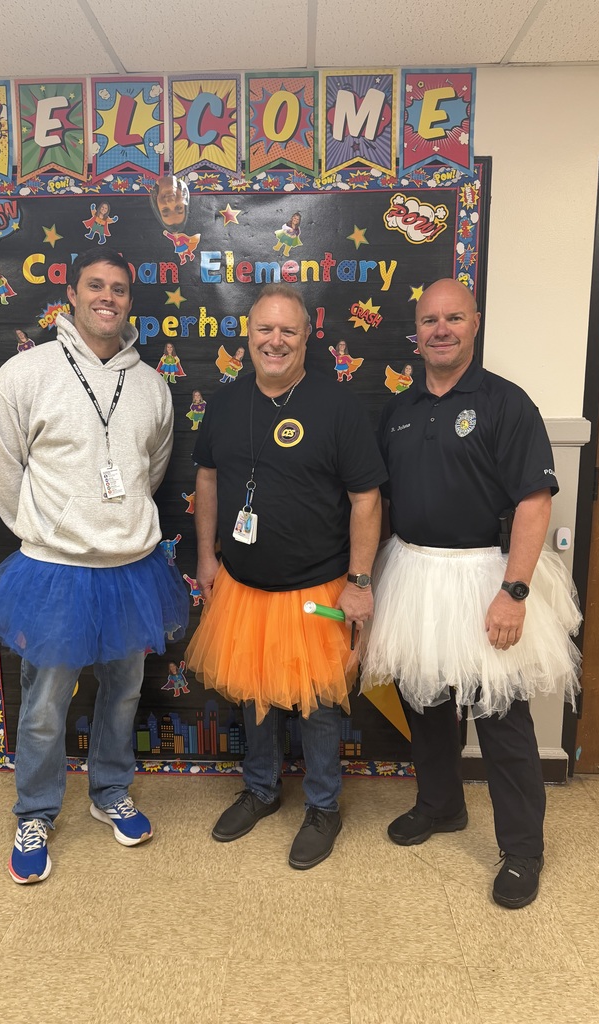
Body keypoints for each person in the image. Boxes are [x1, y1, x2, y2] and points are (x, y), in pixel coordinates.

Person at [360, 278, 582, 909]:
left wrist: (514, 591)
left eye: (452, 318)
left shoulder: (508, 404)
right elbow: (380, 502)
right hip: (414, 572)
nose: (440, 329)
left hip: (488, 575)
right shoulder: (398, 411)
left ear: (474, 322)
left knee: (501, 722)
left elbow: (534, 502)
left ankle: (521, 851)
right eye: (429, 320)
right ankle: (439, 806)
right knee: (425, 706)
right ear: (416, 330)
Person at [0, 250, 189, 885]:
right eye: (95, 285)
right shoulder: (27, 373)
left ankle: (109, 792)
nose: (107, 297)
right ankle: (35, 811)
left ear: (130, 301)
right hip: (55, 569)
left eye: (119, 288)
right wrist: (45, 529)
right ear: (71, 293)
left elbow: (151, 469)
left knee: (123, 692)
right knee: (45, 702)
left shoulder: (150, 384)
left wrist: (114, 522)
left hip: (131, 567)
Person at [185, 283, 385, 870]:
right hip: (244, 584)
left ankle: (323, 806)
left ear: (306, 337)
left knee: (320, 704)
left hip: (319, 584)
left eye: (288, 331)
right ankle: (261, 790)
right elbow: (208, 481)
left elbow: (366, 498)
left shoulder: (337, 405)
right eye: (264, 330)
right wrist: (205, 557)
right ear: (248, 337)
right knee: (255, 694)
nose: (275, 341)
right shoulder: (224, 403)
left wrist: (361, 580)